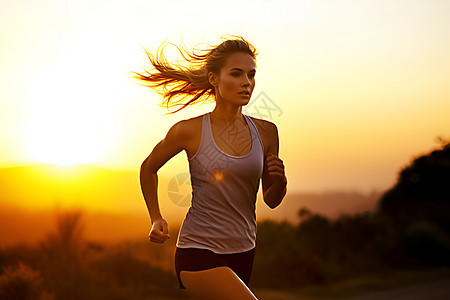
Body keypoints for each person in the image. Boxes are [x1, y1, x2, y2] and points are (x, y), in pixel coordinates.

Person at [136, 36, 287, 300]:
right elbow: (148, 168)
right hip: (198, 251)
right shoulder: (189, 130)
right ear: (214, 79)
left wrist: (281, 182)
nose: (247, 83)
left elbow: (271, 200)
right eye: (236, 74)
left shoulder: (267, 132)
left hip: (244, 251)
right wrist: (156, 218)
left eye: (251, 75)